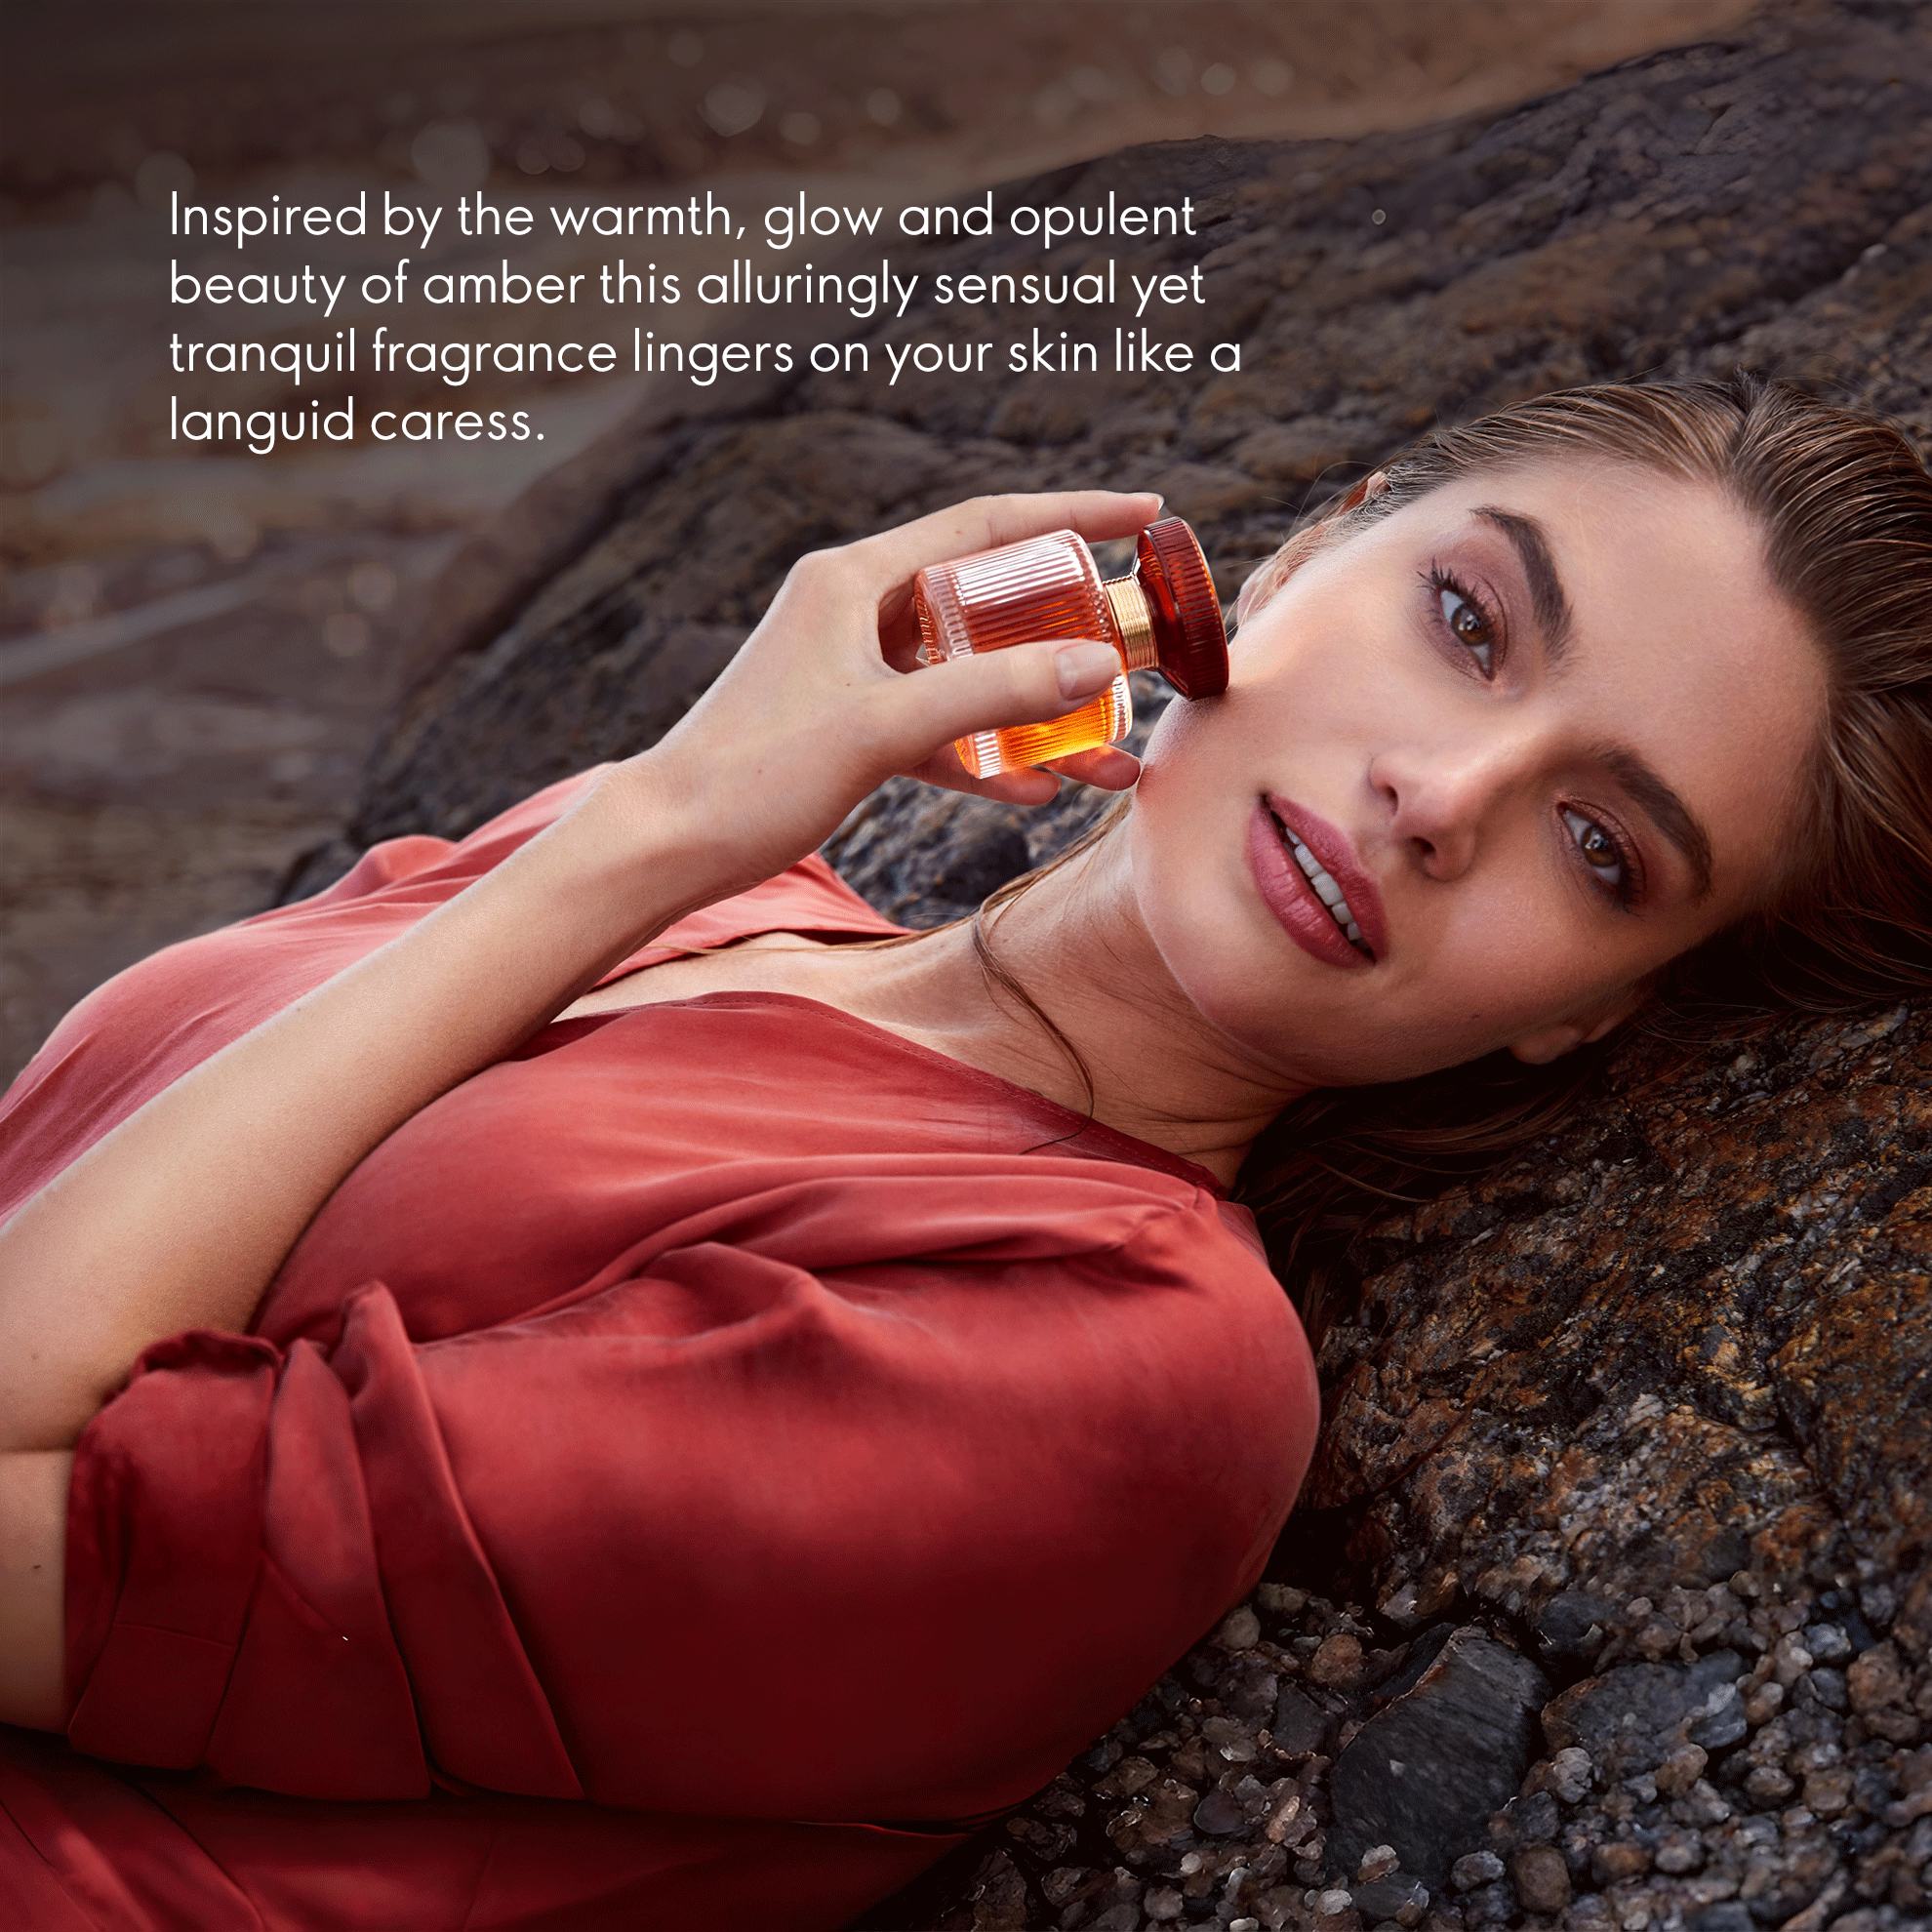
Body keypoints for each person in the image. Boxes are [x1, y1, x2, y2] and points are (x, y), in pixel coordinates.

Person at [1, 371, 1927, 1929]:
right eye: (1466, 621)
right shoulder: (702, 870)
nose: (1444, 793)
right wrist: (661, 829)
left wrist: (660, 819)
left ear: (1586, 1010)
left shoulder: (1120, 1367)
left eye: (1603, 850)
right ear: (1308, 543)